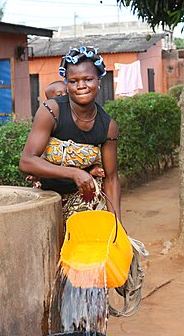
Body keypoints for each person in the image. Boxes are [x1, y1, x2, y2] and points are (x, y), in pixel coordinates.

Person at [20, 45, 120, 221]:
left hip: (85, 201)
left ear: (99, 81)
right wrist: (74, 172)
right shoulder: (52, 111)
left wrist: (117, 225)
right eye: (73, 81)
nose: (81, 86)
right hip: (46, 199)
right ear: (67, 84)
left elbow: (111, 180)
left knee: (84, 246)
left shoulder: (108, 126)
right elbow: (27, 161)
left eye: (88, 79)